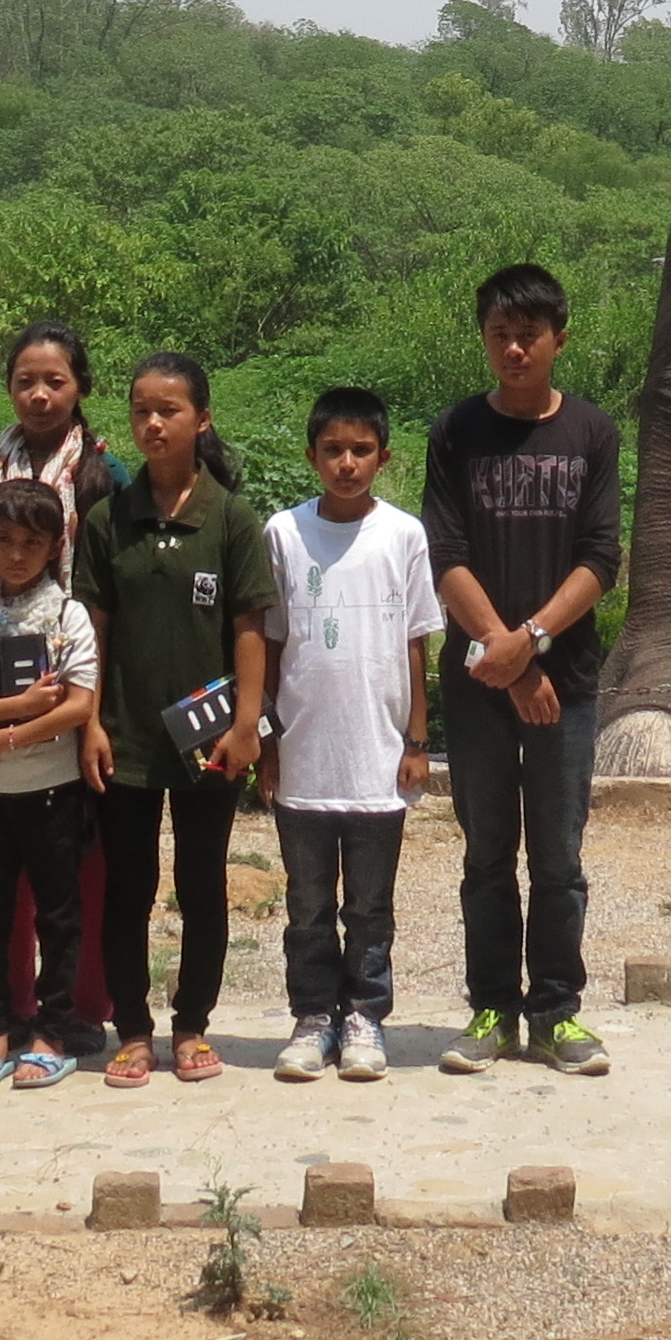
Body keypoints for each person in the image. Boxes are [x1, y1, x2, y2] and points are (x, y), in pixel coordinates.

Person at [423, 262, 623, 1078]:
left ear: (558, 340)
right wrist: (505, 658)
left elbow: (601, 558)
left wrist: (532, 641)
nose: (514, 348)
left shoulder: (591, 434)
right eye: (500, 334)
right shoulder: (455, 432)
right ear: (484, 338)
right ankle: (491, 1009)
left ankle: (557, 1013)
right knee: (485, 854)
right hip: (477, 684)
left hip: (565, 682)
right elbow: (446, 555)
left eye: (529, 334)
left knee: (559, 859)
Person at [78, 352, 270, 1088]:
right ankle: (132, 1029)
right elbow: (90, 629)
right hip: (122, 739)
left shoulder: (230, 518)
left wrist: (246, 725)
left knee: (201, 886)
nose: (153, 424)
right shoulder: (107, 519)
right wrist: (88, 721)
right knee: (128, 887)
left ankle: (192, 1026)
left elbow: (250, 629)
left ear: (202, 419)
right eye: (141, 411)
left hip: (209, 744)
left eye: (170, 411)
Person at [0, 322, 124, 1058]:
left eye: (56, 380)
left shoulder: (105, 476)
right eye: (26, 380)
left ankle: (75, 1010)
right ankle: (8, 1010)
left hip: (78, 663)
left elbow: (112, 587)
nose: (41, 394)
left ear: (81, 385)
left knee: (74, 866)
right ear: (9, 387)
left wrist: (93, 711)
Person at [260, 388, 442, 1085]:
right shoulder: (284, 533)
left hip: (377, 754)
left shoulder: (403, 535)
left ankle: (365, 1016)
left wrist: (417, 740)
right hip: (305, 753)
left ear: (383, 456)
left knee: (369, 904)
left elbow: (415, 644)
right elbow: (272, 642)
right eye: (333, 449)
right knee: (307, 903)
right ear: (312, 455)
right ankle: (312, 1018)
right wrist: (269, 740)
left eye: (360, 450)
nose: (346, 463)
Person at [0, 477, 102, 1091]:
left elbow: (79, 706)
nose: (15, 555)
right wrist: (22, 704)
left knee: (59, 915)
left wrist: (4, 734)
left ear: (56, 543)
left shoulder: (69, 615)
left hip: (53, 789)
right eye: (2, 540)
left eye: (31, 542)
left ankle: (53, 1033)